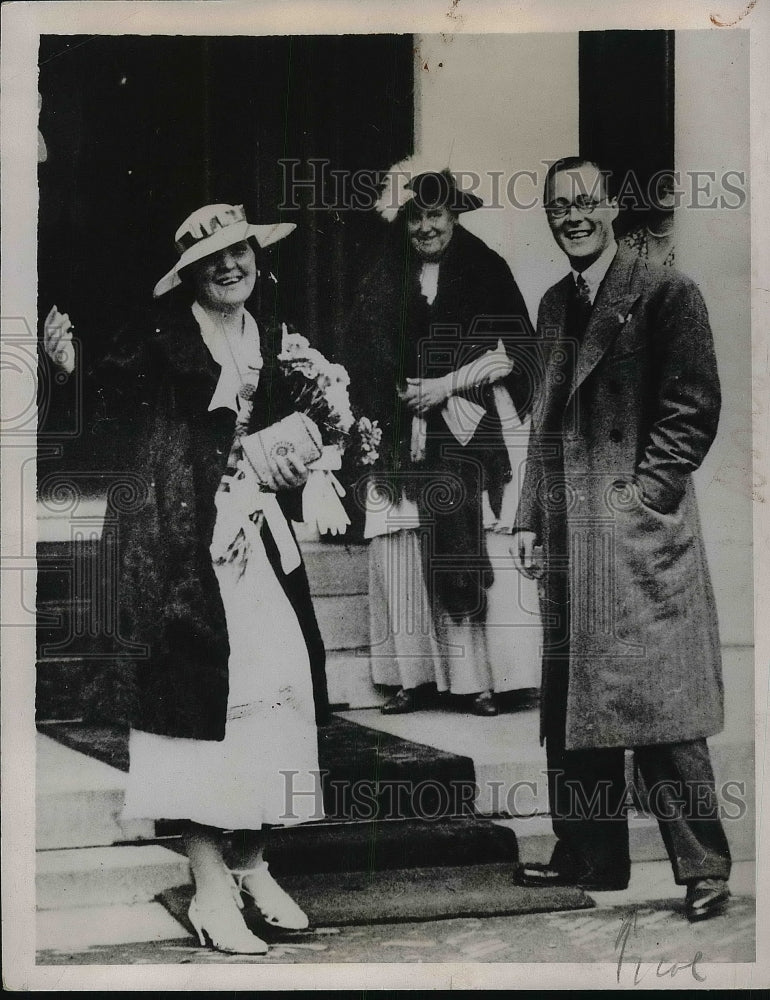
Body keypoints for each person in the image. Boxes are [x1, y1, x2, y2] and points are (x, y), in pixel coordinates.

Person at [44, 203, 330, 955]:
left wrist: (307, 450)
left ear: (255, 260)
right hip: (181, 552)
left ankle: (251, 864)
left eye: (239, 253)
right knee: (198, 708)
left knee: (284, 691)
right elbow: (109, 406)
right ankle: (208, 889)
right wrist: (70, 371)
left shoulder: (276, 344)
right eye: (212, 261)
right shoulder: (162, 343)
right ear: (191, 276)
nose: (230, 267)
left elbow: (293, 434)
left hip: (258, 544)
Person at [510, 157, 731, 922]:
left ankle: (703, 866)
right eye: (557, 206)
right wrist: (530, 518)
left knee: (661, 704)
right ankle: (589, 855)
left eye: (584, 201)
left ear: (611, 206)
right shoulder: (551, 303)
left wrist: (645, 499)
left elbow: (692, 407)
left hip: (637, 534)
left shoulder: (667, 290)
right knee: (576, 697)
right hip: (573, 531)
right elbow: (544, 417)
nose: (572, 216)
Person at [345, 162, 535, 716]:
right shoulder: (385, 274)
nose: (426, 227)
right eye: (415, 217)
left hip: (470, 427)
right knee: (400, 550)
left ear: (453, 214)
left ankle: (481, 681)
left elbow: (516, 352)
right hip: (404, 431)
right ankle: (415, 675)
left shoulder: (487, 268)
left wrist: (447, 385)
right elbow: (362, 350)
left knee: (464, 531)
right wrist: (395, 395)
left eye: (435, 214)